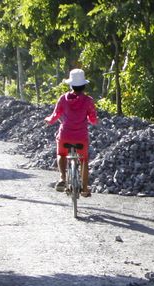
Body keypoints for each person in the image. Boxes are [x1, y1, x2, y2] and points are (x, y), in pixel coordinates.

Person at [44, 68, 98, 197]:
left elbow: (54, 116)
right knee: (84, 159)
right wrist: (95, 121)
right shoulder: (88, 100)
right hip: (81, 137)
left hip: (65, 136)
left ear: (71, 85)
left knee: (61, 154)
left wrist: (48, 120)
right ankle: (85, 188)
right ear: (84, 85)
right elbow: (93, 119)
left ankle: (63, 177)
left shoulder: (63, 99)